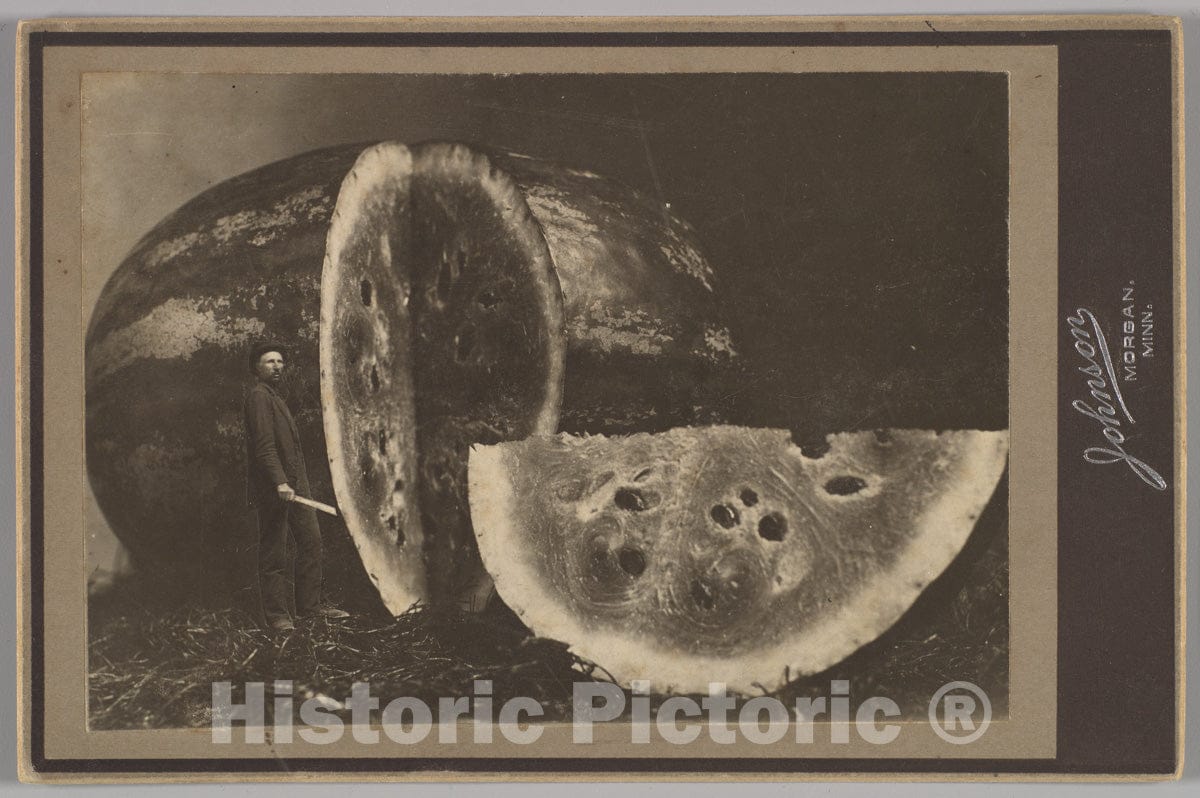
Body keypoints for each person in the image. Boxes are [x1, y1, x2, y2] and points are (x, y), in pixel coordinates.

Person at [243, 341, 348, 632]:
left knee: (311, 542)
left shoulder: (275, 397)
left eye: (280, 361)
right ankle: (277, 616)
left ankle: (310, 610)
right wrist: (280, 482)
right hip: (276, 489)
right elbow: (264, 449)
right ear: (256, 368)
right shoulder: (258, 397)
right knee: (275, 551)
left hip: (295, 487)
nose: (277, 367)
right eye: (269, 362)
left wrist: (295, 484)